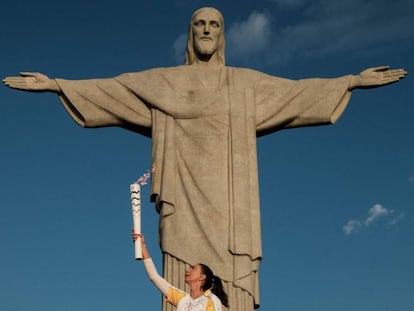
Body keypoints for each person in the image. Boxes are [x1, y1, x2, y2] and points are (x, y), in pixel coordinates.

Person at [2, 6, 407, 311]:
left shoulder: (243, 85)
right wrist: (57, 85)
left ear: (224, 35)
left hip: (232, 207)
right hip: (183, 201)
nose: (207, 30)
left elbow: (297, 93)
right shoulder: (165, 83)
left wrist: (351, 80)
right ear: (190, 34)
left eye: (215, 25)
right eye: (200, 24)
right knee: (178, 279)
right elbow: (115, 91)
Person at [132, 231, 229, 311]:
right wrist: (143, 246)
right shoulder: (182, 299)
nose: (188, 270)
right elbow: (154, 277)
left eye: (193, 268)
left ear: (202, 277)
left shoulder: (212, 300)